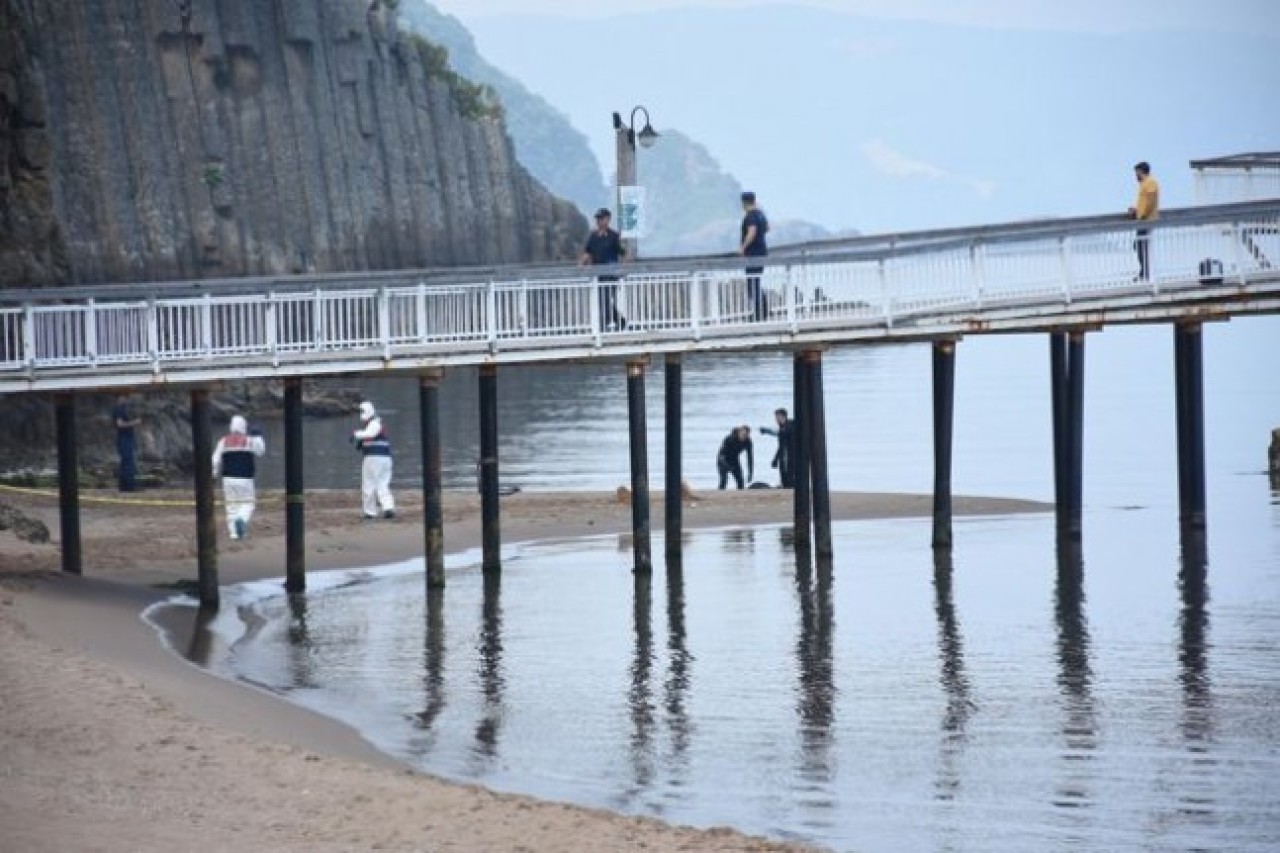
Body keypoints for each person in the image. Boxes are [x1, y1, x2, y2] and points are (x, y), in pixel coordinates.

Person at [211, 415, 266, 540]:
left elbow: (215, 459)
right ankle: (241, 520)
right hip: (245, 477)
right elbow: (260, 451)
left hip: (228, 478)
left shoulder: (223, 441)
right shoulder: (249, 440)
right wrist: (258, 436)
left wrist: (213, 475)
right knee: (248, 503)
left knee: (231, 506)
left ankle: (234, 534)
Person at [579, 207, 626, 330]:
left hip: (611, 275)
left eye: (601, 218)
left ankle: (603, 326)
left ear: (607, 219)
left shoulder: (613, 236)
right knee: (602, 300)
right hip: (598, 275)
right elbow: (587, 252)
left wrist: (622, 269)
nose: (599, 221)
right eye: (598, 219)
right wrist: (580, 266)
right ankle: (619, 321)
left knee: (605, 299)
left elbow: (623, 253)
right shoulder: (593, 236)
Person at [352, 400, 395, 519]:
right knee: (382, 483)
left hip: (373, 458)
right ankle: (388, 507)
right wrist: (360, 442)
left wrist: (356, 434)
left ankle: (370, 511)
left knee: (369, 484)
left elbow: (369, 434)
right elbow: (368, 438)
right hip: (385, 458)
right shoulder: (376, 424)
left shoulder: (373, 424)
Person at [737, 191, 769, 321]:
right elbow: (767, 228)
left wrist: (743, 247)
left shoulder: (750, 217)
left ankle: (759, 313)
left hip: (753, 254)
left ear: (744, 203)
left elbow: (752, 232)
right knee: (756, 281)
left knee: (752, 284)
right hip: (762, 251)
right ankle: (762, 311)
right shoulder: (761, 215)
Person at [1128, 161, 1160, 281]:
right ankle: (1144, 272)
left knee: (1141, 246)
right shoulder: (1144, 184)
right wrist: (1136, 210)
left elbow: (1151, 201)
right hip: (1142, 219)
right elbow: (1144, 202)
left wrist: (1144, 215)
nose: (1135, 175)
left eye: (1136, 172)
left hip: (1146, 220)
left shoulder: (1150, 182)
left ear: (1141, 171)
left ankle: (1145, 273)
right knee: (1139, 245)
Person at [111, 394, 141, 492]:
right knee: (128, 462)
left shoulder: (122, 409)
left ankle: (124, 486)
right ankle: (129, 486)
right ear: (119, 398)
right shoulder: (118, 410)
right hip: (124, 439)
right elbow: (120, 424)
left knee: (126, 462)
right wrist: (134, 423)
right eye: (124, 397)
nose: (125, 400)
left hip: (125, 438)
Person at [760, 407, 795, 488]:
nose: (776, 419)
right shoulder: (783, 426)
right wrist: (776, 459)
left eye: (777, 417)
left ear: (783, 416)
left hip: (791, 455)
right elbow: (781, 444)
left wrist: (767, 431)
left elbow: (783, 435)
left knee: (789, 477)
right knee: (784, 477)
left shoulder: (790, 425)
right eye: (775, 417)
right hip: (784, 454)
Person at [716, 425, 754, 490]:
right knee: (724, 480)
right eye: (743, 434)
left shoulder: (748, 442)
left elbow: (750, 458)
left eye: (746, 435)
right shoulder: (730, 439)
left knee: (740, 482)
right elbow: (721, 454)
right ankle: (720, 495)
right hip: (723, 460)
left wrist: (750, 473)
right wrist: (727, 466)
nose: (743, 437)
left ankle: (740, 497)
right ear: (739, 433)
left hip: (734, 460)